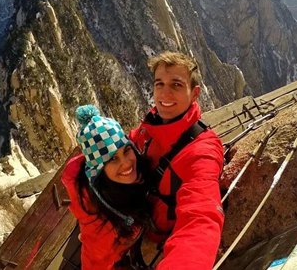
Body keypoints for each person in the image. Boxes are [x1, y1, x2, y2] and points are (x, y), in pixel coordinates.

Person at [129, 52, 225, 270]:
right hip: (134, 217)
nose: (165, 93)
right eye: (159, 84)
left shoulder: (202, 151)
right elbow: (125, 144)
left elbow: (200, 217)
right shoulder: (150, 127)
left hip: (152, 233)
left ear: (194, 93)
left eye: (176, 85)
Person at [62, 105, 153, 270]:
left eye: (126, 150)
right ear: (99, 171)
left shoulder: (125, 179)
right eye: (112, 159)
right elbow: (95, 264)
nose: (126, 163)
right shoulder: (101, 227)